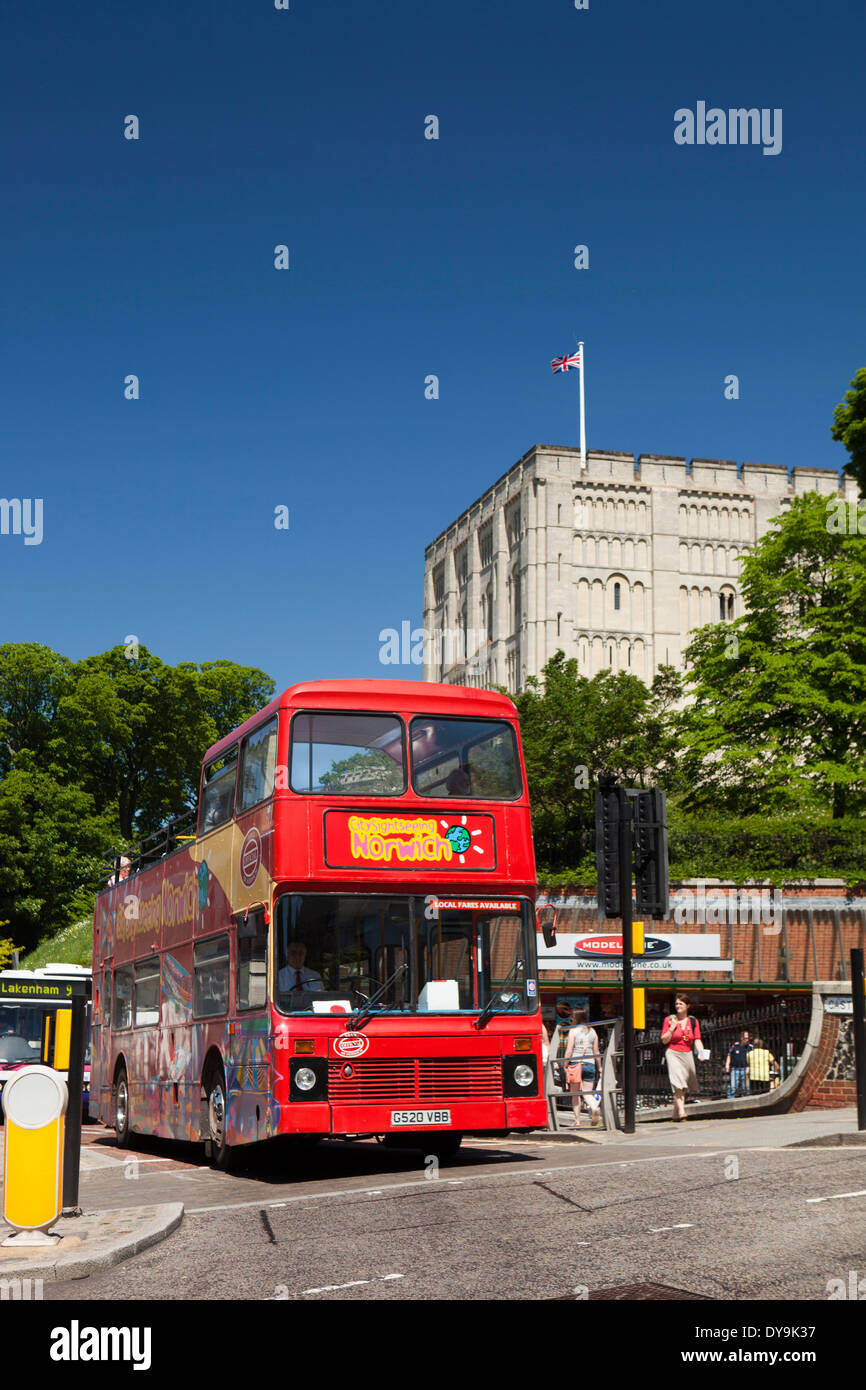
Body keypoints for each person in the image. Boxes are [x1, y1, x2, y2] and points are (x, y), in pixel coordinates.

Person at [661, 994, 703, 1120]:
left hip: (687, 1054)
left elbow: (697, 1040)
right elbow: (664, 1040)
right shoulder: (669, 1020)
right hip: (673, 1053)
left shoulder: (693, 1022)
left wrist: (701, 1053)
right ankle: (682, 1112)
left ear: (687, 1006)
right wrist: (672, 1028)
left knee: (684, 1084)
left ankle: (675, 1112)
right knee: (677, 1082)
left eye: (681, 1004)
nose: (678, 1006)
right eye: (676, 1004)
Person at [563, 1009, 602, 1128]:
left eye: (572, 1018)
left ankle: (577, 1121)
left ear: (576, 1019)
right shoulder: (593, 1031)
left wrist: (565, 1064)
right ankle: (594, 1107)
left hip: (576, 1063)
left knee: (575, 1094)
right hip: (590, 1064)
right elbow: (596, 1051)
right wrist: (600, 1067)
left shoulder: (573, 1031)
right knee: (587, 1092)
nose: (571, 1020)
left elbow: (569, 1050)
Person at [725, 1030, 752, 1098]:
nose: (747, 1040)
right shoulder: (735, 1046)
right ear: (741, 1038)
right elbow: (729, 1055)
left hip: (745, 1069)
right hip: (735, 1069)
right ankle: (730, 1100)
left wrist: (749, 1067)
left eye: (748, 1038)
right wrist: (727, 1065)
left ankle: (746, 1101)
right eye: (745, 1038)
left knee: (746, 1087)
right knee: (733, 1086)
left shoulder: (750, 1047)